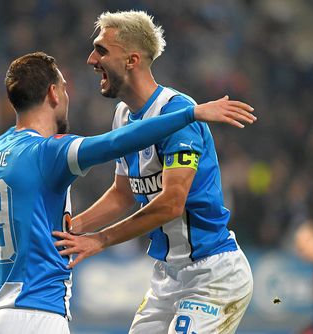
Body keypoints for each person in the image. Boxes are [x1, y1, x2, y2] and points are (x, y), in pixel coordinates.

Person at [0, 51, 255, 334]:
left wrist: (76, 227)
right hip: (38, 314)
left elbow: (121, 194)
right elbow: (116, 143)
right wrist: (191, 114)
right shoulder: (50, 152)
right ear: (53, 94)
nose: (92, 60)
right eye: (64, 87)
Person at [53, 10, 254, 334]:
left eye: (101, 49)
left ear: (132, 60)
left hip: (213, 274)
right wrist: (72, 230)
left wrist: (100, 240)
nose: (91, 59)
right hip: (167, 276)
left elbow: (172, 203)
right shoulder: (122, 115)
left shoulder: (178, 114)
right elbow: (122, 194)